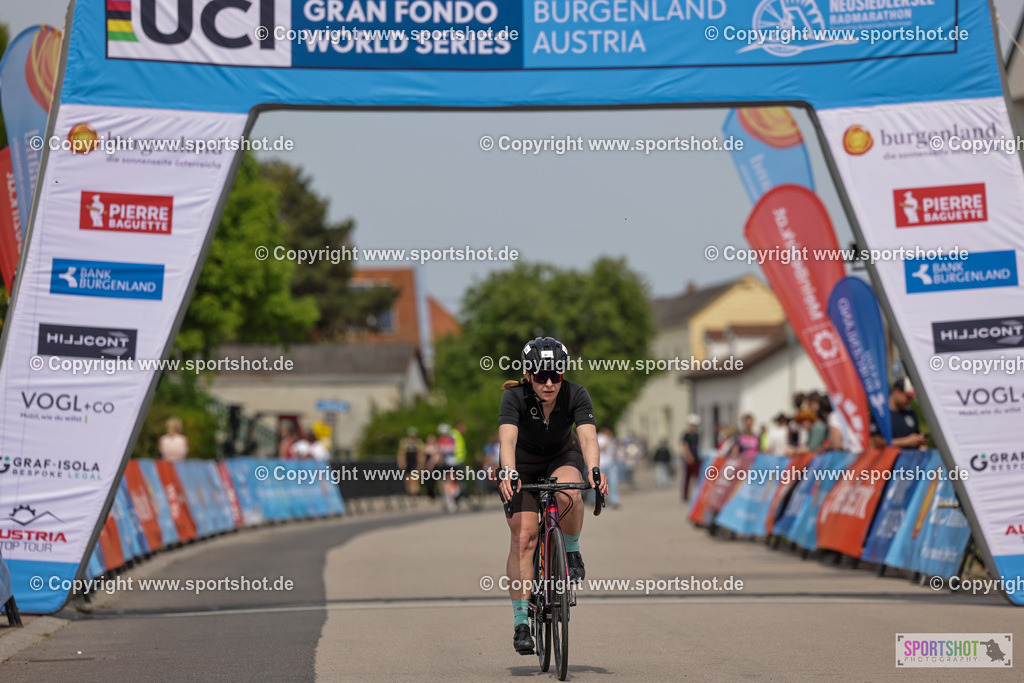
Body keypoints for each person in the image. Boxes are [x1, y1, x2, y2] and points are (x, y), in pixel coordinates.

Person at [497, 337, 607, 655]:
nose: (549, 383)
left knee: (570, 490)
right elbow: (507, 440)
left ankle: (570, 552)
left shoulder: (576, 394)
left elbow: (587, 438)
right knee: (524, 539)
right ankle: (521, 622)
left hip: (562, 457)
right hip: (522, 466)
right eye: (542, 375)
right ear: (529, 374)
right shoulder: (514, 398)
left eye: (556, 375)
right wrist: (508, 471)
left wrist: (595, 469)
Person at [870, 378, 928, 450]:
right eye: (907, 397)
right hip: (892, 459)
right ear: (897, 391)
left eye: (911, 398)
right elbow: (877, 442)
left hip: (913, 459)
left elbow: (918, 438)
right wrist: (905, 442)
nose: (909, 401)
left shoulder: (911, 413)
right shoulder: (880, 414)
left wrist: (920, 442)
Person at [597, 426, 621, 508]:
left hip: (611, 463)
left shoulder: (611, 438)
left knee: (613, 482)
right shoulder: (599, 437)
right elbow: (603, 447)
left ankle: (614, 500)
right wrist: (608, 441)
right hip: (601, 464)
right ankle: (596, 500)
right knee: (599, 484)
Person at [397, 427, 424, 497]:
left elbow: (421, 454)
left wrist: (420, 464)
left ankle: (415, 492)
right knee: (408, 477)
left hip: (415, 461)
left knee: (415, 477)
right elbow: (401, 453)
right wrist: (401, 462)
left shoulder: (418, 442)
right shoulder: (404, 442)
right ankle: (409, 491)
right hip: (408, 461)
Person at [680, 414, 700, 503]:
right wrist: (688, 456)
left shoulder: (697, 435)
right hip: (688, 459)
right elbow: (684, 446)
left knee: (697, 478)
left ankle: (698, 494)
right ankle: (685, 496)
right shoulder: (686, 435)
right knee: (687, 478)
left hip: (696, 458)